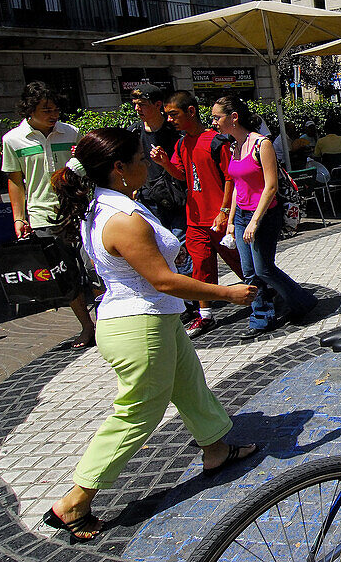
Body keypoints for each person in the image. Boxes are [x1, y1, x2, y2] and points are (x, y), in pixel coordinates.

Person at [43, 128, 258, 543]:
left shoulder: (106, 205)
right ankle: (75, 500)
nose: (148, 164)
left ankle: (215, 447)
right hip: (139, 326)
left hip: (148, 320)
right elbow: (164, 281)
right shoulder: (122, 219)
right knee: (137, 413)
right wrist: (227, 294)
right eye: (141, 159)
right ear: (119, 169)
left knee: (188, 383)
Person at [215, 95, 318, 338]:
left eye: (217, 117)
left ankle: (302, 301)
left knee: (264, 269)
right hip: (241, 215)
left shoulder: (262, 145)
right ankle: (261, 316)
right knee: (249, 271)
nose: (214, 122)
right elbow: (237, 185)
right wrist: (231, 221)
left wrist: (254, 220)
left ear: (234, 117)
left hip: (263, 214)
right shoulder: (233, 147)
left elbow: (270, 186)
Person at [0, 82, 94, 348]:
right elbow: (16, 182)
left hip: (78, 209)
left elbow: (84, 167)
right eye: (46, 109)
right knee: (64, 274)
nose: (53, 115)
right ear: (30, 110)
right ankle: (87, 326)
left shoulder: (71, 132)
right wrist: (19, 218)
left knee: (93, 266)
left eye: (56, 109)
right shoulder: (13, 140)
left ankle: (107, 320)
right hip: (42, 215)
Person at [150, 91, 243, 338]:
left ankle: (263, 297)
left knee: (240, 263)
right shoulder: (181, 143)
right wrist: (165, 164)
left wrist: (224, 211)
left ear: (191, 111)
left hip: (218, 218)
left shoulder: (216, 141)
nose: (169, 120)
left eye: (173, 114)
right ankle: (206, 317)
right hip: (195, 219)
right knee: (200, 267)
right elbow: (182, 176)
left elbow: (230, 177)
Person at [129, 84, 184, 236]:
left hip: (176, 198)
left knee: (179, 246)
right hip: (148, 199)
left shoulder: (176, 132)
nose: (137, 109)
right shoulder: (134, 132)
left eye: (142, 105)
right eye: (135, 105)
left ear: (158, 104)